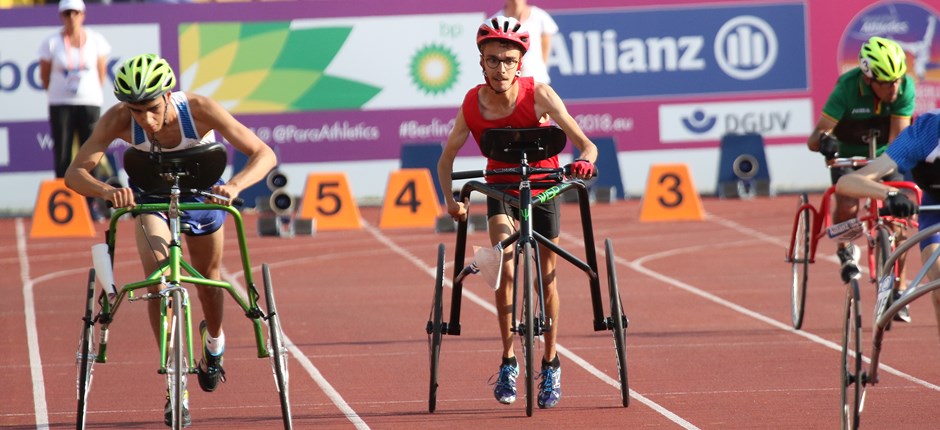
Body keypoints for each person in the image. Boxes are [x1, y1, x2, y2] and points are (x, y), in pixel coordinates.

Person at [64, 53, 276, 427]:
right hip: (152, 200)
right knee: (160, 281)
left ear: (167, 95)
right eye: (135, 110)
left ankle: (214, 345)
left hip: (205, 196)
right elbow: (75, 173)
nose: (144, 119)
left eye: (150, 108)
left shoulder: (199, 108)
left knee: (209, 283)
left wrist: (235, 186)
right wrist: (107, 190)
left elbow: (264, 153)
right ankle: (175, 382)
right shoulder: (118, 118)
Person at [437, 16, 597, 409]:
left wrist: (584, 162)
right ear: (481, 62)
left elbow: (586, 145)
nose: (501, 68)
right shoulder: (472, 103)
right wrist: (450, 200)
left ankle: (551, 362)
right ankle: (509, 359)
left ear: (520, 62)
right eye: (493, 60)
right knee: (505, 266)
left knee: (547, 277)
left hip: (543, 189)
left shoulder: (540, 93)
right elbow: (446, 160)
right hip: (500, 188)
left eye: (509, 60)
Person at [806, 36, 915, 322]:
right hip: (847, 155)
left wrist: (885, 189)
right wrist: (825, 144)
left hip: (883, 156)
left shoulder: (903, 88)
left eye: (897, 80)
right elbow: (815, 138)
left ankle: (899, 289)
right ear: (868, 79)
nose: (894, 88)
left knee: (896, 219)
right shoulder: (845, 89)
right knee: (847, 203)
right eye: (886, 82)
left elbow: (898, 144)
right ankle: (845, 246)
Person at [835, 110, 940, 341]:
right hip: (936, 213)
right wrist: (890, 194)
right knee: (939, 280)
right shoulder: (926, 133)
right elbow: (847, 182)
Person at [39, 0, 112, 219]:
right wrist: (60, 93)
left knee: (91, 153)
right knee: (62, 154)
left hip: (89, 103)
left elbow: (101, 73)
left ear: (83, 14)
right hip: (60, 104)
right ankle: (67, 208)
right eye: (67, 13)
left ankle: (93, 205)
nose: (71, 17)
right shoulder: (51, 42)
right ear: (61, 16)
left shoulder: (97, 40)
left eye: (75, 13)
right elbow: (45, 76)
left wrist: (88, 93)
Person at [492, 0, 558, 84]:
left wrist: (540, 67)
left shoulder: (539, 16)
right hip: (509, 84)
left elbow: (546, 45)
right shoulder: (495, 22)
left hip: (537, 80)